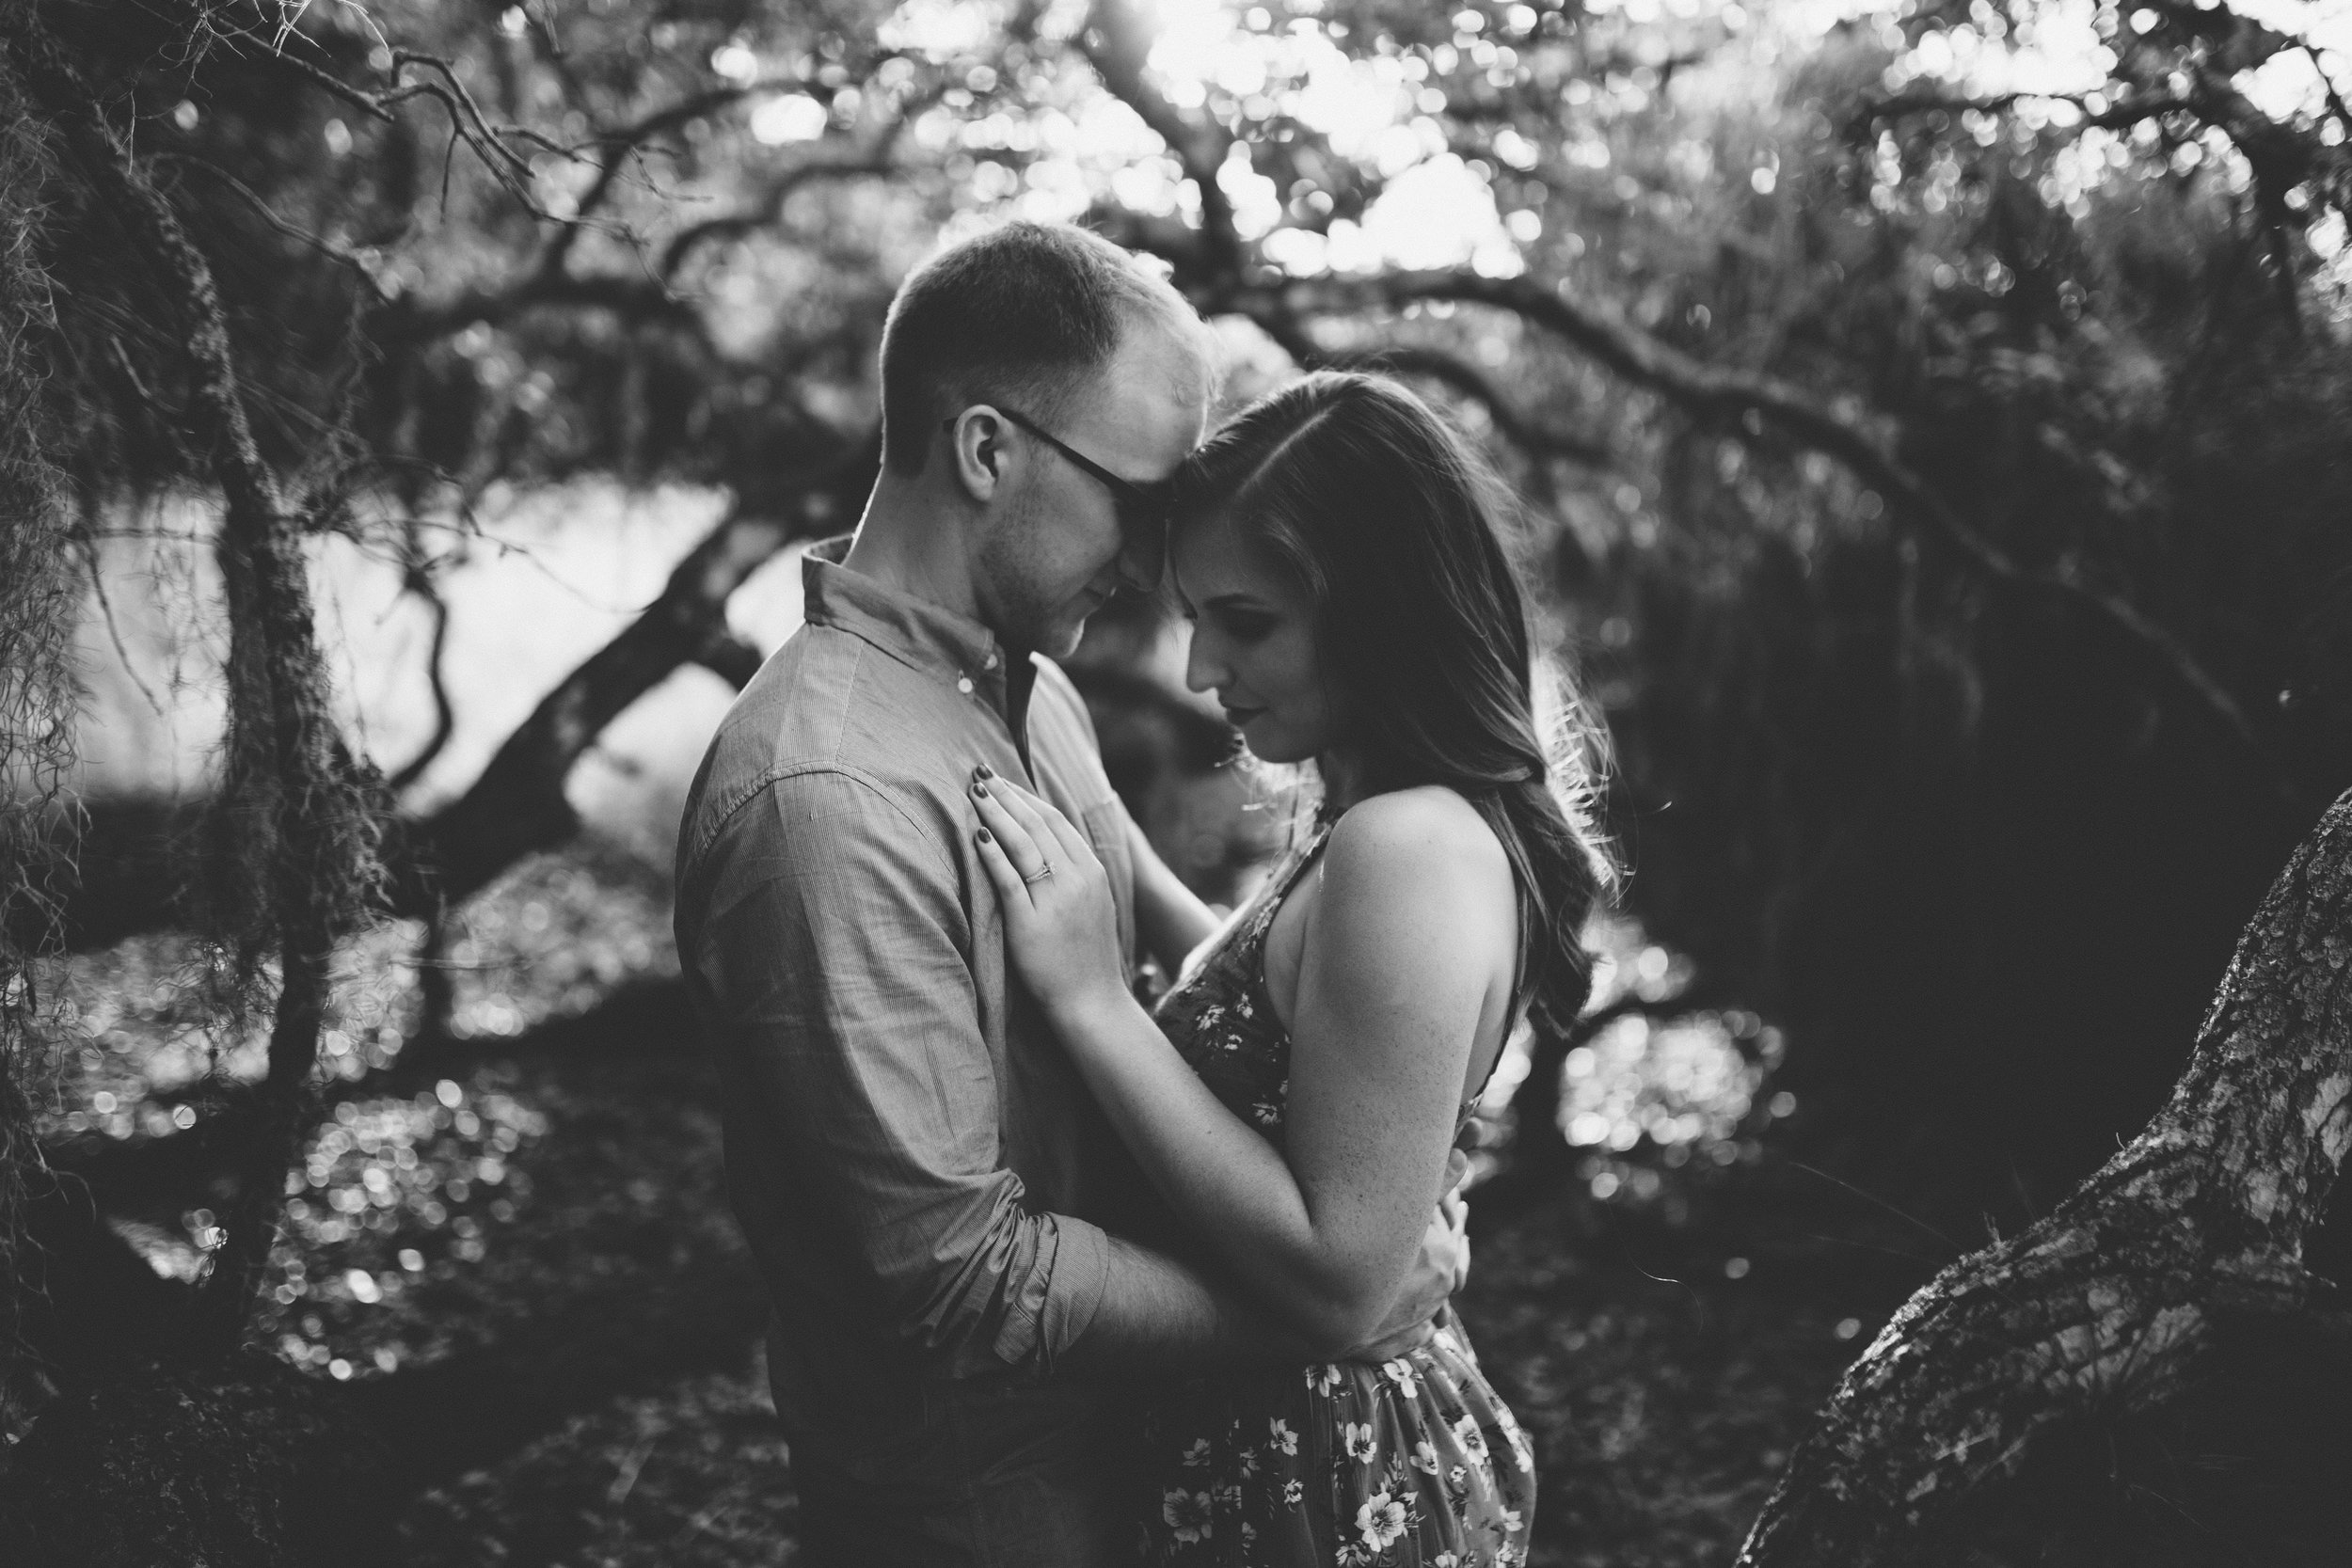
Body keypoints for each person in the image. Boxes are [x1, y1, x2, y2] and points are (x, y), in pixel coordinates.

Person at [673, 227, 1464, 1566]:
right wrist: (1320, 1309)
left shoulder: (1037, 693)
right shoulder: (825, 797)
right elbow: (956, 1277)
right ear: (987, 450)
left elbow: (1194, 981)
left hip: (1150, 1476)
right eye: (1140, 501)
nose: (1161, 563)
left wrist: (1372, 1176)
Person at [964, 371, 1615, 1565]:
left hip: (1321, 1488)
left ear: (1380, 609)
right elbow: (1262, 1005)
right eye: (1194, 615)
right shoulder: (1372, 817)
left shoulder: (1405, 845)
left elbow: (1338, 1281)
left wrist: (1090, 995)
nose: (1203, 667)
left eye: (1246, 620)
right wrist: (1114, 853)